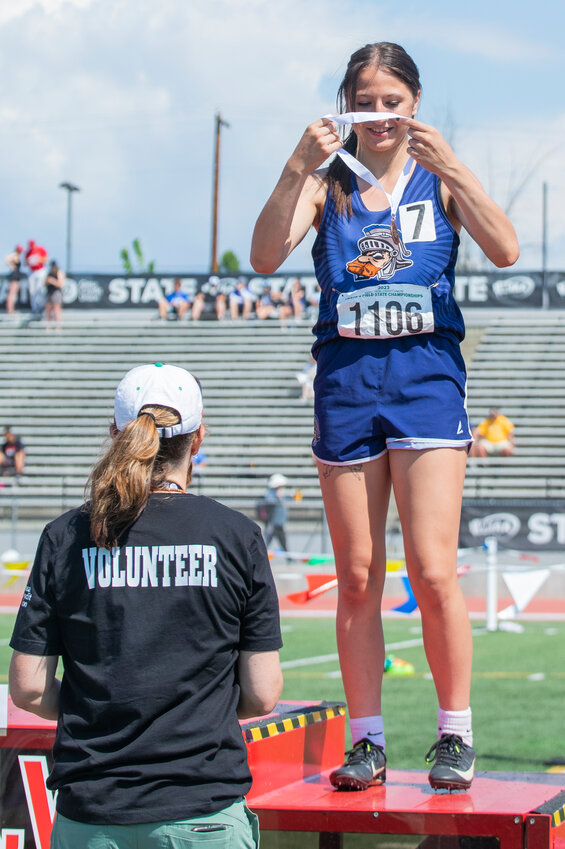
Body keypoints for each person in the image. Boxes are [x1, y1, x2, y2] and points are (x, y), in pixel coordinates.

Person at [251, 41, 519, 792]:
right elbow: (265, 255)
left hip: (425, 379)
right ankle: (366, 741)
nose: (377, 115)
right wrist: (294, 165)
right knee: (359, 575)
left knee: (433, 571)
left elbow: (503, 249)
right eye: (364, 101)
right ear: (345, 104)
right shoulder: (328, 182)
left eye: (391, 101)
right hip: (346, 382)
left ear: (414, 105)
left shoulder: (438, 178)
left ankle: (453, 734)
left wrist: (458, 166)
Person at [9, 362, 283, 848]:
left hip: (91, 812)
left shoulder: (63, 537)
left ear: (115, 432)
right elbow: (261, 695)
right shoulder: (238, 536)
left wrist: (100, 711)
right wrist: (198, 713)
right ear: (198, 439)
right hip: (202, 811)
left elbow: (29, 690)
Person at [261, 473, 290, 552]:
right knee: (267, 541)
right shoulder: (270, 493)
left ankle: (289, 557)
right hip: (273, 522)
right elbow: (269, 501)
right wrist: (277, 497)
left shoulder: (280, 493)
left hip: (279, 523)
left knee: (282, 540)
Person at [25, 239, 48, 315]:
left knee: (39, 288)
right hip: (32, 272)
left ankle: (41, 306)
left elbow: (46, 260)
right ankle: (34, 307)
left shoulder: (40, 249)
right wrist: (29, 261)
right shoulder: (28, 252)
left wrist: (38, 259)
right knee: (32, 290)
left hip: (40, 270)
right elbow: (25, 263)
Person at [44, 260, 65, 330]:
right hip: (49, 292)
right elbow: (44, 283)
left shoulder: (59, 273)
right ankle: (48, 327)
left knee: (56, 310)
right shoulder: (49, 273)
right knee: (48, 310)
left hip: (56, 293)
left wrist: (52, 281)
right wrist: (48, 281)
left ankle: (58, 327)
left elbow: (60, 284)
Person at [4, 245, 24, 314]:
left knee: (14, 294)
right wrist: (11, 266)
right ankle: (10, 310)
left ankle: (11, 309)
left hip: (17, 276)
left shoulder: (17, 256)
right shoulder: (14, 255)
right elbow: (6, 259)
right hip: (14, 276)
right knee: (11, 294)